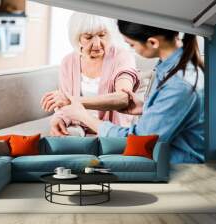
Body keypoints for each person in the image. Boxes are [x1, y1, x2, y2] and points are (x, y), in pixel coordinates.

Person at [60, 21, 205, 163]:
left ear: (153, 42)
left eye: (132, 45)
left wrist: (85, 117)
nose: (132, 50)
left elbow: (142, 140)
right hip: (163, 159)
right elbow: (172, 113)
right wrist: (145, 106)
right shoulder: (169, 68)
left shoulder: (180, 84)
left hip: (179, 168)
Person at [40, 12, 140, 136]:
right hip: (78, 127)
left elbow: (124, 98)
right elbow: (64, 106)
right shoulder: (68, 62)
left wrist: (72, 100)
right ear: (78, 38)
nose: (97, 44)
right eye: (88, 37)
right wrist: (59, 118)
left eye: (102, 35)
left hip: (111, 130)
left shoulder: (122, 57)